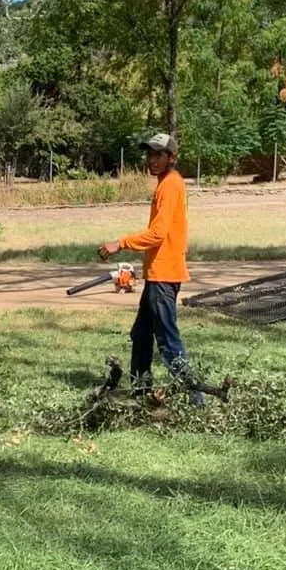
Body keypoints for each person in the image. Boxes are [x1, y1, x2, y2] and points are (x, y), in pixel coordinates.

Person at [98, 133, 203, 405]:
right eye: (149, 154)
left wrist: (120, 243)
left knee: (167, 340)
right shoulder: (168, 183)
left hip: (164, 275)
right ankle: (141, 392)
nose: (152, 160)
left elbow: (157, 234)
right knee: (142, 334)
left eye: (158, 155)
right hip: (158, 273)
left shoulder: (170, 185)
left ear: (171, 157)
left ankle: (196, 400)